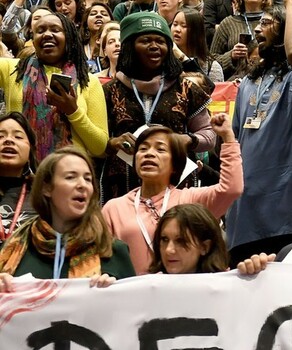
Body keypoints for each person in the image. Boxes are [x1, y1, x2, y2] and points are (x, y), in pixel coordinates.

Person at [227, 0, 292, 264]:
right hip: (244, 212)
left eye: (268, 23)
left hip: (288, 210)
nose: (259, 29)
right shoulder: (247, 82)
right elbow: (234, 140)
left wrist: (291, 4)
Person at [102, 113, 242, 275]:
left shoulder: (191, 201)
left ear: (176, 164)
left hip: (183, 296)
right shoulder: (114, 208)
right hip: (132, 297)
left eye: (160, 149)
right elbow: (103, 261)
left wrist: (228, 137)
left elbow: (232, 188)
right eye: (143, 149)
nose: (149, 153)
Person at [101, 12, 214, 201]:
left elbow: (209, 135)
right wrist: (112, 143)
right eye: (145, 41)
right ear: (129, 46)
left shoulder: (187, 88)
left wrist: (185, 140)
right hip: (122, 190)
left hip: (176, 190)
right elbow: (95, 141)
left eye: (161, 41)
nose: (154, 46)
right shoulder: (109, 91)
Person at [0, 147, 135, 287]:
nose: (83, 185)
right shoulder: (14, 247)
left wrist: (113, 294)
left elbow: (135, 306)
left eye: (88, 179)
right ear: (47, 188)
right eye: (70, 177)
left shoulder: (113, 250)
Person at [0, 9, 108, 161]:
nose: (47, 34)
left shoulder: (89, 82)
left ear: (69, 37)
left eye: (55, 30)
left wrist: (73, 112)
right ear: (33, 39)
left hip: (70, 174)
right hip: (24, 174)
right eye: (40, 30)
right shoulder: (13, 70)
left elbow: (100, 147)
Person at [211, 0, 270, 80]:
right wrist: (231, 56)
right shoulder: (228, 23)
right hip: (235, 87)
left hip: (268, 83)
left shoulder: (274, 21)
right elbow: (212, 62)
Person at [148, 204, 229, 274]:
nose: (168, 250)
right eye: (164, 239)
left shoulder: (228, 285)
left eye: (180, 241)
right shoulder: (146, 287)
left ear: (204, 247)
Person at [0, 113, 38, 248]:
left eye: (18, 137)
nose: (8, 140)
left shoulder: (44, 196)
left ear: (30, 152)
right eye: (1, 136)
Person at [171, 8, 223, 84]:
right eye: (175, 24)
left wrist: (182, 57)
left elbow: (212, 92)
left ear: (196, 31)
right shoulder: (165, 61)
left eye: (184, 26)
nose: (177, 29)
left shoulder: (212, 67)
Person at [81, 2, 112, 72]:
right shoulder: (77, 45)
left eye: (104, 14)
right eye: (93, 14)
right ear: (86, 22)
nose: (99, 15)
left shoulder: (116, 46)